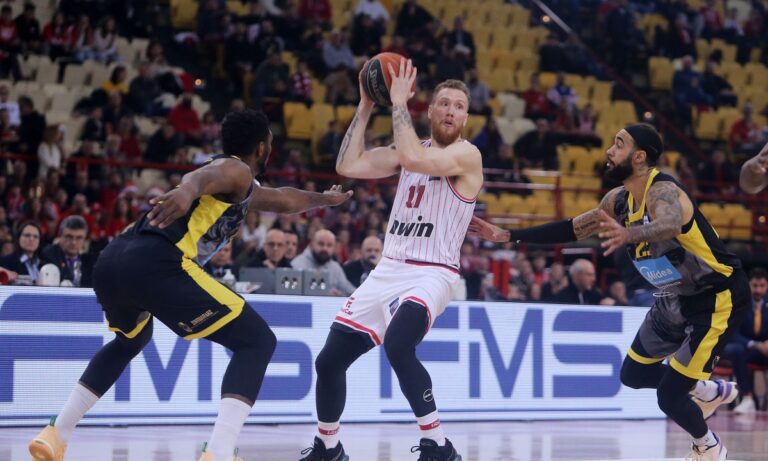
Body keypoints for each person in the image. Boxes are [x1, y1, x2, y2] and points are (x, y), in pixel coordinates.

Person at [28, 110, 353, 461]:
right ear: (262, 147)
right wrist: (186, 190)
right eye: (271, 144)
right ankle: (220, 451)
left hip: (113, 261)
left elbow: (284, 199)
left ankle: (56, 433)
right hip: (158, 262)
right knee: (258, 341)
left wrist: (324, 199)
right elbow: (201, 177)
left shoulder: (242, 187)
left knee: (130, 340)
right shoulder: (236, 169)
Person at [469, 123, 749, 460]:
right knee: (633, 373)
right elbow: (572, 229)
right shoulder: (617, 201)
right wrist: (509, 235)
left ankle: (710, 448)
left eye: (618, 144)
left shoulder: (663, 191)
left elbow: (670, 223)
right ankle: (706, 389)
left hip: (715, 296)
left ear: (639, 156)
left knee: (669, 397)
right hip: (674, 296)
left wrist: (629, 235)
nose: (609, 151)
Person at [299, 60, 482, 461]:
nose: (451, 111)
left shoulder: (468, 155)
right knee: (329, 361)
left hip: (433, 272)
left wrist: (398, 103)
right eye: (444, 103)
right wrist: (366, 104)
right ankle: (328, 446)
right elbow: (347, 165)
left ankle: (438, 445)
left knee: (399, 345)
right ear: (430, 111)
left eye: (459, 106)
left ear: (466, 118)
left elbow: (416, 160)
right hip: (388, 269)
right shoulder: (408, 151)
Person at [720, 267, 768, 414]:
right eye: (755, 286)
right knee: (736, 350)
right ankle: (748, 399)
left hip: (764, 351)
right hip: (745, 348)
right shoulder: (739, 302)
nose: (758, 290)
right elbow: (732, 333)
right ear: (749, 285)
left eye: (762, 286)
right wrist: (755, 344)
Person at [291, 229, 356, 296]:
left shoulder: (335, 267)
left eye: (329, 245)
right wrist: (324, 293)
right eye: (321, 244)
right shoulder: (297, 264)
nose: (325, 248)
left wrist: (340, 294)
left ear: (334, 248)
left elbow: (352, 292)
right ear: (311, 244)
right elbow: (292, 293)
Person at [40, 215, 95, 287]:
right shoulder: (49, 255)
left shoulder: (89, 262)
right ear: (60, 236)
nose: (73, 242)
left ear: (85, 240)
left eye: (79, 238)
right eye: (69, 237)